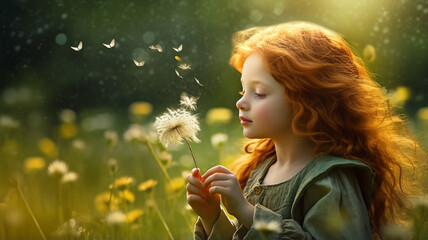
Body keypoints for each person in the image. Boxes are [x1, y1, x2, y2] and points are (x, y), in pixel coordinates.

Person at [186, 21, 425, 239]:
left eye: (259, 93)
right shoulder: (260, 171)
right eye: (242, 91)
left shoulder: (330, 181)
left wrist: (247, 212)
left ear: (306, 101)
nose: (241, 103)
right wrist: (212, 217)